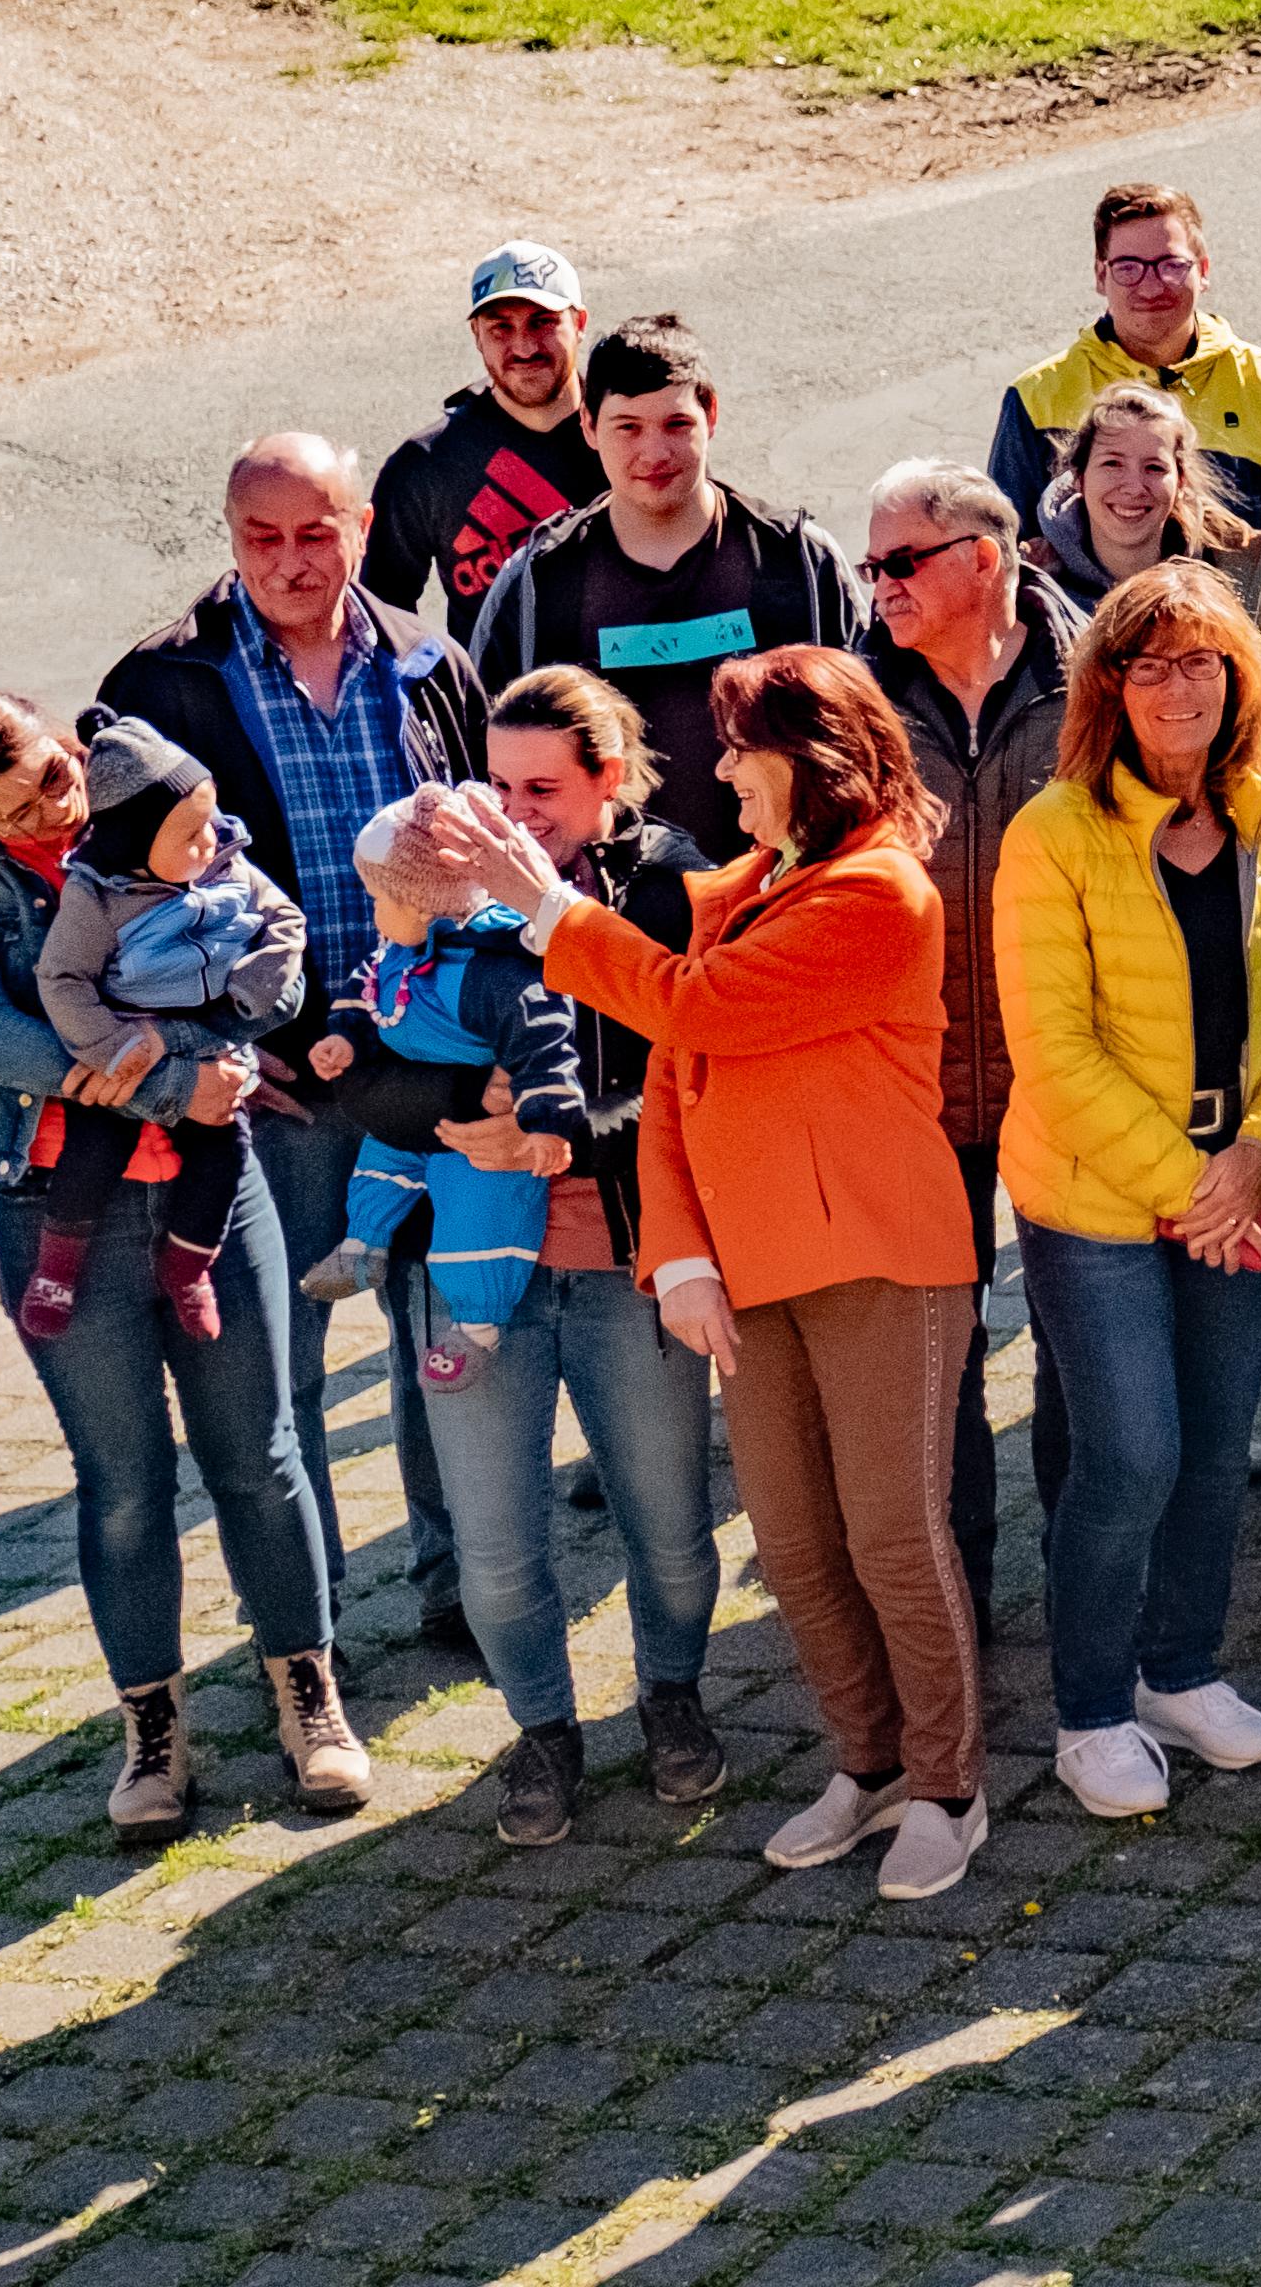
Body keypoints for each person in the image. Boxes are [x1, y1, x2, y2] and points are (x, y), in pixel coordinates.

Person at [425, 649, 992, 1897]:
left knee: (892, 1536)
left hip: (879, 1262)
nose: (724, 768)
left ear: (811, 759)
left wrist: (550, 910)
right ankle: (870, 1760)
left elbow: (699, 1009)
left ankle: (947, 1782)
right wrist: (676, 1252)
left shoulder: (879, 894)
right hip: (750, 1269)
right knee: (794, 1547)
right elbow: (677, 1084)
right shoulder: (742, 886)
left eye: (743, 747)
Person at [0, 691, 350, 1838]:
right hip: (58, 1198)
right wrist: (166, 1081)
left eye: (56, 769)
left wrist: (245, 1024)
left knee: (261, 1452)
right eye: (21, 805)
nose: (60, 805)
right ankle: (153, 1730)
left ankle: (310, 1698)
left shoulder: (150, 784)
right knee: (125, 1481)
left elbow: (267, 941)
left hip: (210, 1175)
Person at [95, 430, 490, 1649]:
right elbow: (110, 896)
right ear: (230, 537)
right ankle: (304, 1623)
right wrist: (204, 1040)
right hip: (273, 1082)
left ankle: (457, 1586)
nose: (289, 562)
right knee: (285, 1365)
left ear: (362, 528)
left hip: (425, 1053)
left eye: (315, 532)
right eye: (261, 537)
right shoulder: (160, 684)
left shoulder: (428, 660)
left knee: (446, 1337)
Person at [996, 565, 1261, 1820]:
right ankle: (1088, 1709)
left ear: (1239, 674)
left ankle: (1177, 1671)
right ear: (1108, 687)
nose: (1177, 686)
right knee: (1129, 1453)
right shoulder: (1053, 834)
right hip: (1097, 1199)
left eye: (1200, 661)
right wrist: (1198, 1186)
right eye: (1149, 665)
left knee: (1206, 1457)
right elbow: (1055, 1050)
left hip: (1240, 1181)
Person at [447, 669, 734, 1837]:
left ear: (608, 778)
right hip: (469, 1272)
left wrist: (556, 1139)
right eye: (499, 784)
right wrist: (449, 1105)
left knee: (668, 1530)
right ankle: (543, 1730)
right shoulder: (447, 867)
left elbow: (692, 1077)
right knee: (497, 1552)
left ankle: (670, 1694)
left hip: (630, 1264)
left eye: (545, 789)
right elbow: (363, 1044)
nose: (516, 815)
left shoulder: (673, 886)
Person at [862, 460, 1088, 1615]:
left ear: (982, 560)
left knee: (1077, 1345)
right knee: (937, 1361)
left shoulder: (1098, 676)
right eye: (873, 565)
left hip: (1073, 1076)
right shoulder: (854, 697)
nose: (880, 585)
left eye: (901, 562)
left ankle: (1085, 1590)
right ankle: (957, 1605)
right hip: (913, 1084)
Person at [469, 313, 868, 859]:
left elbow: (868, 734)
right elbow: (484, 764)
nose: (654, 453)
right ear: (587, 426)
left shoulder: (796, 559)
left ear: (711, 415)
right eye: (627, 427)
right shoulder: (539, 582)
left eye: (676, 425)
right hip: (604, 910)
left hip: (782, 894)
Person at [25, 714, 306, 1347]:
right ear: (132, 841)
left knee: (223, 1149)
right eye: (186, 834)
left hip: (213, 1033)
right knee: (93, 1150)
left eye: (208, 820)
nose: (208, 841)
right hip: (126, 1042)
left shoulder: (227, 864)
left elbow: (285, 919)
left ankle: (188, 1267)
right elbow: (62, 979)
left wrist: (252, 990)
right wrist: (114, 1048)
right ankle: (56, 1268)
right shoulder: (98, 897)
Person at [306, 799, 585, 1393]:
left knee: (475, 1217)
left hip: (480, 1136)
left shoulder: (487, 969)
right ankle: (364, 1245)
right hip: (420, 1108)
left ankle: (477, 1326)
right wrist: (345, 1037)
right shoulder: (403, 952)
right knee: (380, 1158)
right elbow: (368, 988)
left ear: (422, 901)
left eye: (381, 900)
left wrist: (547, 1117)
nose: (374, 914)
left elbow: (542, 1035)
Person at [985, 179, 1261, 609]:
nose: (1151, 287)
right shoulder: (1037, 396)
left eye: (1171, 265)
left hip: (1245, 649)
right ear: (1101, 275)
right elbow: (1004, 549)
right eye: (1128, 267)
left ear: (1203, 270)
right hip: (1086, 649)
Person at [364, 242, 602, 637]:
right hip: (494, 698)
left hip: (621, 692)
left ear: (578, 324)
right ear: (476, 335)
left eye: (542, 322)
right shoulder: (428, 465)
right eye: (501, 327)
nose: (524, 347)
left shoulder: (631, 432)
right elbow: (381, 614)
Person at [1033, 381, 1261, 627]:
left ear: (1181, 482)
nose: (1134, 487)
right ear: (1079, 477)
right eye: (1112, 464)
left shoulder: (1234, 572)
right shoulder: (1035, 586)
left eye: (1154, 468)